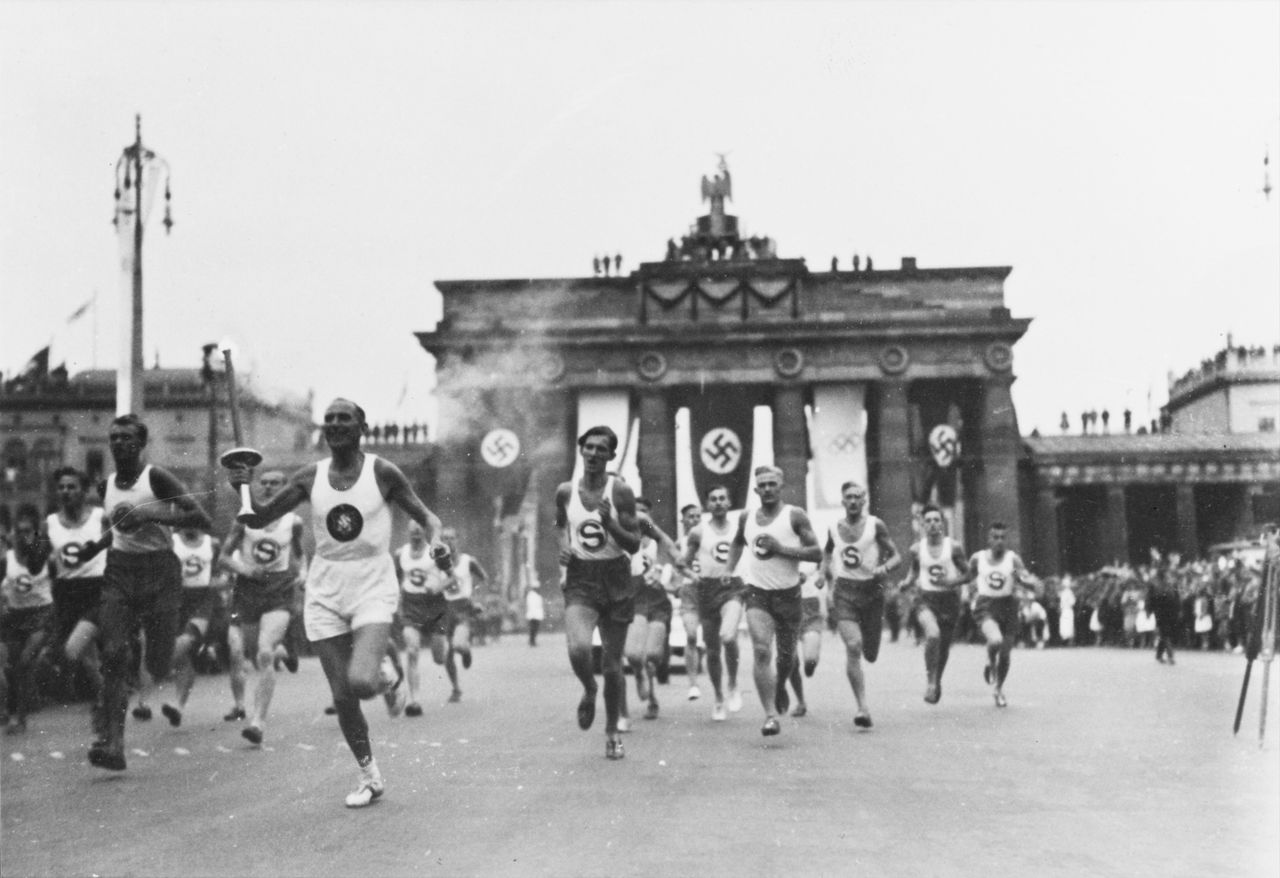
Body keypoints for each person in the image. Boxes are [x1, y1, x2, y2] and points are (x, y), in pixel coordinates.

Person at [227, 398, 444, 807]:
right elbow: (258, 517)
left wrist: (437, 546)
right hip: (326, 588)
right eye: (329, 420)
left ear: (362, 426)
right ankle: (369, 775)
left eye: (344, 419)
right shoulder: (310, 476)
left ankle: (387, 678)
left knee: (362, 682)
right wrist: (239, 484)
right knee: (343, 696)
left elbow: (428, 517)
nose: (335, 425)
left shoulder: (383, 471)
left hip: (372, 584)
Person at [76, 414, 212, 771]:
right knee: (114, 654)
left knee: (157, 664)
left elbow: (202, 519)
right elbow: (120, 530)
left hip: (160, 571)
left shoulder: (156, 478)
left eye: (126, 438)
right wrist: (94, 548)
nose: (118, 443)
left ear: (141, 443)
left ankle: (186, 646)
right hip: (121, 570)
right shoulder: (106, 486)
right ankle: (114, 746)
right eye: (114, 438)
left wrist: (152, 517)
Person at [554, 425, 641, 760]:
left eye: (600, 449)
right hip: (581, 577)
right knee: (578, 648)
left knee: (613, 664)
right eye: (588, 448)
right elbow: (561, 524)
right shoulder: (565, 491)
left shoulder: (620, 492)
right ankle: (589, 688)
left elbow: (633, 543)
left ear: (610, 456)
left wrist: (611, 525)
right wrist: (564, 548)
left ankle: (612, 732)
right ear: (581, 450)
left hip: (616, 577)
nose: (593, 454)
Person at [725, 466, 822, 736]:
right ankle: (769, 715)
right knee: (761, 650)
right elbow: (736, 543)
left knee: (786, 659)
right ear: (755, 490)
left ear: (781, 487)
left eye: (772, 484)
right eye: (762, 485)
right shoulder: (747, 517)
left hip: (789, 596)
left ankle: (780, 687)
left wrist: (781, 549)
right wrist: (728, 570)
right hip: (757, 594)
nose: (767, 489)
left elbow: (816, 554)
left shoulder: (795, 515)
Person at [218, 469, 306, 743]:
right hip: (248, 592)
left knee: (264, 654)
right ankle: (284, 650)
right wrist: (244, 569)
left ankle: (257, 723)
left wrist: (302, 575)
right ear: (257, 488)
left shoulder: (294, 522)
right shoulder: (245, 520)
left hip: (278, 590)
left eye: (275, 484)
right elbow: (223, 558)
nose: (268, 488)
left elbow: (301, 556)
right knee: (256, 653)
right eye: (264, 483)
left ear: (284, 489)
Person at [822, 481, 902, 729]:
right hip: (845, 591)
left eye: (858, 497)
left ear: (864, 500)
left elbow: (897, 556)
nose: (854, 501)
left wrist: (884, 567)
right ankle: (862, 707)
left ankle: (862, 702)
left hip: (872, 592)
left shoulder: (875, 525)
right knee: (854, 646)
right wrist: (824, 573)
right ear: (843, 501)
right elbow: (827, 552)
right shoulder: (834, 527)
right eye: (849, 497)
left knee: (871, 653)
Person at [44, 467, 108, 733]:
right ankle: (105, 701)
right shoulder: (48, 523)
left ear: (84, 490)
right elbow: (36, 555)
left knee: (82, 652)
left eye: (71, 487)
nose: (66, 492)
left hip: (96, 591)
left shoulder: (99, 518)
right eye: (61, 487)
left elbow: (116, 545)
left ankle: (104, 705)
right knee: (73, 656)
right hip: (66, 593)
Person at [681, 485, 745, 721]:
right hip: (706, 589)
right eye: (713, 499)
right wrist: (692, 576)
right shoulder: (698, 532)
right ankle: (718, 697)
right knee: (712, 650)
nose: (718, 502)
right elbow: (683, 562)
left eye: (722, 498)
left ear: (729, 503)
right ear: (708, 505)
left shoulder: (739, 529)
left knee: (728, 636)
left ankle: (733, 683)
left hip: (732, 588)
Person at [622, 497, 686, 723]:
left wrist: (675, 562)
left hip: (658, 601)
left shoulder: (657, 543)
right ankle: (640, 675)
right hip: (635, 600)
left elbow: (671, 552)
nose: (639, 516)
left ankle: (653, 699)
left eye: (643, 512)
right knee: (632, 655)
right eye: (635, 511)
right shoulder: (623, 540)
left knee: (653, 655)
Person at [959, 522, 1036, 708]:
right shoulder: (978, 558)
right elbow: (967, 577)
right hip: (986, 605)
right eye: (996, 537)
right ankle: (989, 659)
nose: (999, 541)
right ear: (989, 539)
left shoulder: (1013, 559)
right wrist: (951, 584)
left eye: (1003, 537)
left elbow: (1023, 576)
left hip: (1008, 606)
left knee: (1006, 655)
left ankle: (998, 688)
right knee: (995, 641)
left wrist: (1028, 582)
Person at [900, 504, 969, 705]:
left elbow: (968, 574)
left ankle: (937, 681)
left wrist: (951, 582)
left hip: (949, 601)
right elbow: (914, 572)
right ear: (922, 524)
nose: (932, 524)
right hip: (925, 599)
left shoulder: (953, 547)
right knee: (933, 634)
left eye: (936, 520)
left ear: (942, 523)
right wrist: (906, 582)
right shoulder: (916, 549)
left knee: (944, 647)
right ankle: (930, 681)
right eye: (928, 520)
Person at [158, 525, 221, 728]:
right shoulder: (171, 541)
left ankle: (160, 667)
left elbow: (220, 572)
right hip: (176, 599)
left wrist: (218, 583)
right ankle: (178, 706)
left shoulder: (212, 543)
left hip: (202, 600)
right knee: (184, 658)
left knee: (188, 639)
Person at [0, 507, 55, 734]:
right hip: (14, 616)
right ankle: (17, 714)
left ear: (35, 533)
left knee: (23, 663)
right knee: (14, 668)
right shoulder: (6, 559)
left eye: (28, 531)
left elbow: (60, 587)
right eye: (19, 531)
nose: (23, 535)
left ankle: (19, 716)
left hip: (40, 615)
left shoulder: (46, 559)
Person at [395, 520, 458, 714]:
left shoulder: (436, 552)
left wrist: (438, 586)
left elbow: (452, 577)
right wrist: (397, 602)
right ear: (408, 532)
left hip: (435, 606)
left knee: (439, 658)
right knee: (412, 651)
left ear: (425, 532)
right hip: (411, 606)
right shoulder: (400, 554)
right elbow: (395, 579)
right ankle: (414, 701)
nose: (415, 536)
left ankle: (447, 651)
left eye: (419, 533)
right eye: (412, 532)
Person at [440, 526, 489, 683]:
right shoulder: (437, 563)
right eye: (444, 538)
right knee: (447, 653)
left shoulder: (468, 561)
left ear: (457, 540)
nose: (448, 541)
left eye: (451, 538)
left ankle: (466, 651)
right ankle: (455, 688)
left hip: (463, 608)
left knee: (458, 645)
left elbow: (484, 579)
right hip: (446, 608)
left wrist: (478, 599)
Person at [784, 563, 825, 718]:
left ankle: (811, 663)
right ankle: (801, 701)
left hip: (809, 605)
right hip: (786, 605)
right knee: (791, 660)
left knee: (810, 660)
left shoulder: (814, 545)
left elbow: (826, 568)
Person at [674, 503, 704, 702]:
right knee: (691, 635)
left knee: (714, 639)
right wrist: (677, 585)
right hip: (689, 592)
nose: (694, 519)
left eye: (697, 516)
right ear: (683, 520)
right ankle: (693, 684)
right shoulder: (679, 544)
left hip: (709, 590)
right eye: (690, 516)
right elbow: (675, 568)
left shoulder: (708, 538)